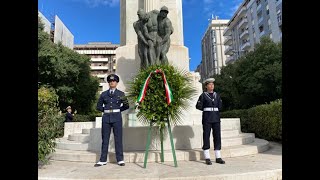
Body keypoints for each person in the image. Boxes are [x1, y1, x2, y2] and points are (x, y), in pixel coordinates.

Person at [94, 74, 129, 167]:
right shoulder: (104, 94)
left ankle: (120, 159)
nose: (112, 83)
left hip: (117, 118)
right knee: (105, 139)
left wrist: (117, 111)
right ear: (108, 83)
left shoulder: (121, 94)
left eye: (113, 81)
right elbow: (98, 106)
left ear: (116, 83)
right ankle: (102, 160)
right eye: (110, 81)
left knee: (118, 139)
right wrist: (106, 111)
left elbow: (126, 106)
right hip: (106, 118)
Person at [195, 78, 225, 165]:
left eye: (213, 84)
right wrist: (206, 109)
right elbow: (198, 106)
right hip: (207, 117)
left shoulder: (217, 95)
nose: (212, 86)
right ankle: (207, 157)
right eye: (210, 84)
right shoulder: (203, 95)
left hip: (216, 117)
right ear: (206, 86)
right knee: (206, 136)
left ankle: (218, 157)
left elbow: (220, 105)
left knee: (217, 136)